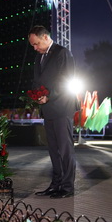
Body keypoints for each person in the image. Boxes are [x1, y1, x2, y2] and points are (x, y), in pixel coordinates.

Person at [29, 25, 76, 199]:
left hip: (62, 107)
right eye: (33, 45)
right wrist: (35, 96)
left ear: (45, 37)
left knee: (65, 149)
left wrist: (49, 97)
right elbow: (37, 80)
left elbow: (67, 80)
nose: (35, 48)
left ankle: (67, 187)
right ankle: (56, 184)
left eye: (36, 44)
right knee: (53, 150)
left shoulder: (62, 53)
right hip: (47, 109)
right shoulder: (39, 57)